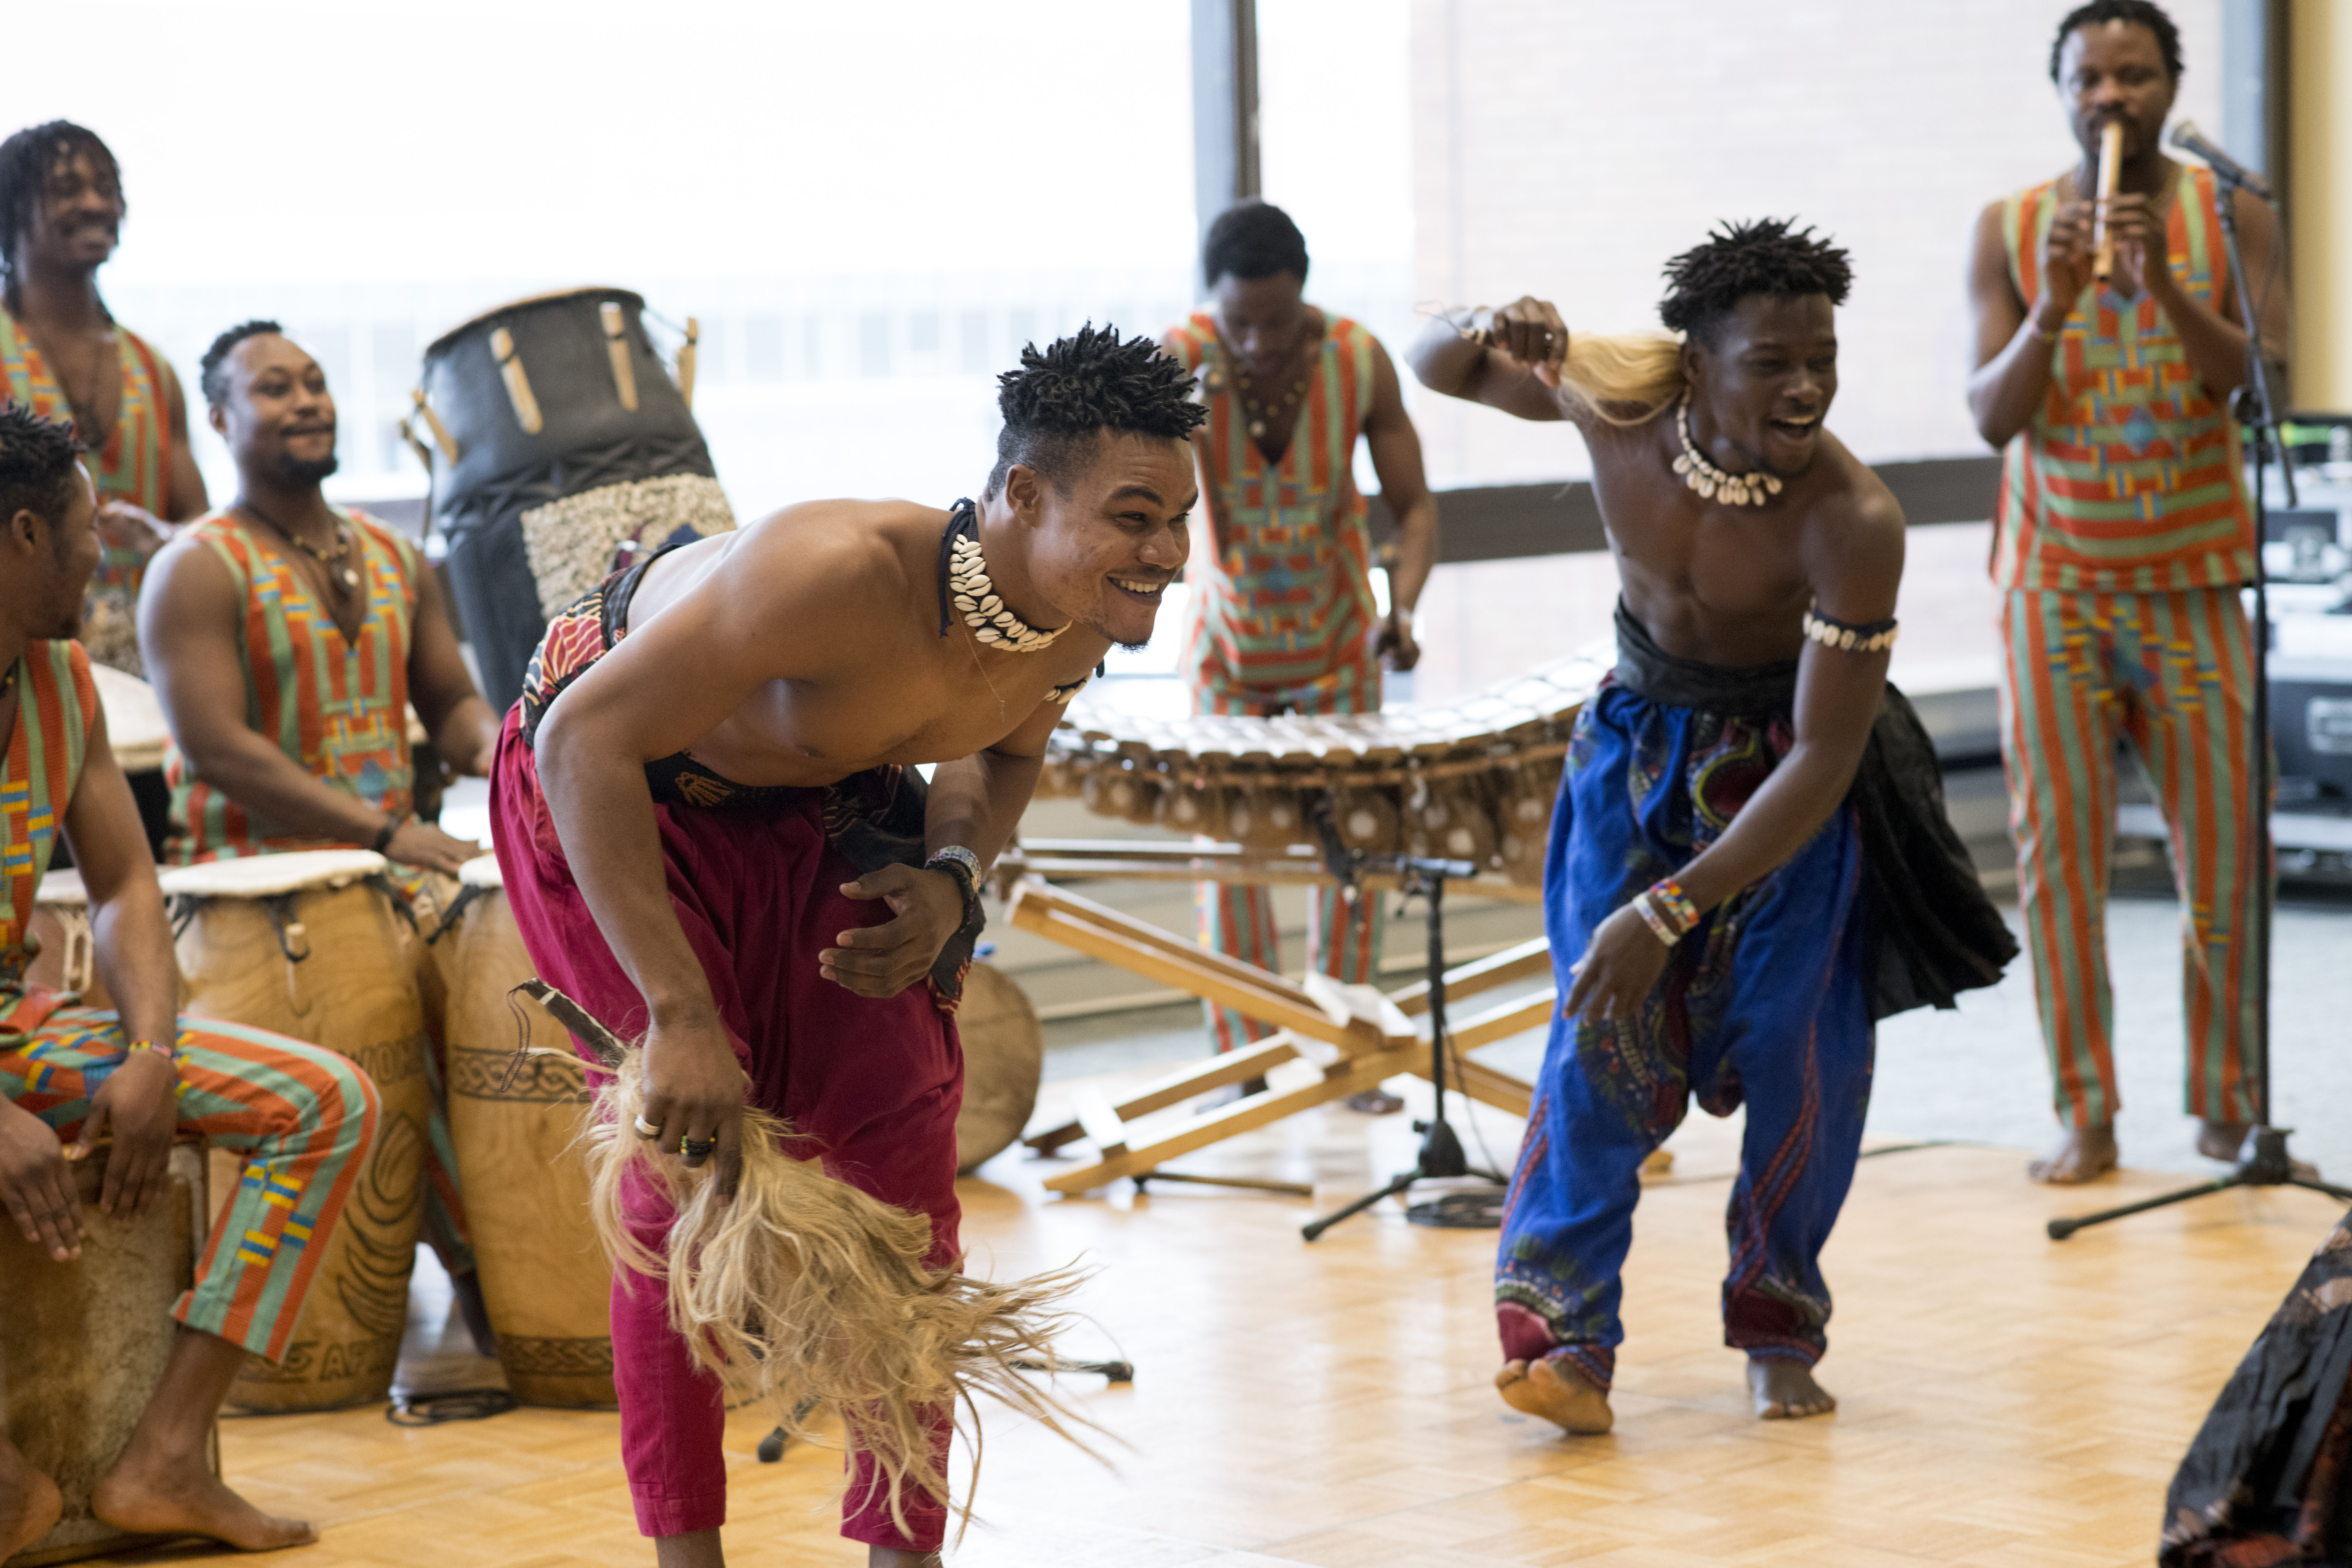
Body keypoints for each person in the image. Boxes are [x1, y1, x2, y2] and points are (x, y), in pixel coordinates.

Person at [493, 324, 1202, 1567]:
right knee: (688, 1172)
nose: (1171, 554)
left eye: (1182, 516)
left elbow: (1004, 749)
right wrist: (681, 1013)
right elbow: (580, 747)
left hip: (818, 798)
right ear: (1023, 495)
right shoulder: (825, 569)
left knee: (904, 1141)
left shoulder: (1086, 610)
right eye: (1137, 516)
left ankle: (902, 1552)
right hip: (617, 787)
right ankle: (687, 1555)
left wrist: (952, 874)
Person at [1407, 220, 2012, 1433]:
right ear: (1695, 363)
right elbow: (1432, 362)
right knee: (1600, 1031)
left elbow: (1832, 750)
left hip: (1791, 776)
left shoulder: (1853, 519)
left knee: (1800, 1045)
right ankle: (1565, 1339)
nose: (1804, 387)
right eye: (1770, 363)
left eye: (1822, 360)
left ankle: (1779, 1316)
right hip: (1634, 754)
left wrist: (1674, 907)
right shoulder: (1618, 408)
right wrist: (1486, 325)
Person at [0, 403, 377, 1557]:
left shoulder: (61, 683)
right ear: (21, 536)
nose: (101, 557)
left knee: (326, 1103)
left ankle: (164, 1456)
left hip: (13, 1026)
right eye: (82, 533)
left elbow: (120, 884)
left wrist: (152, 1052)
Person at [1964, 0, 2288, 1186]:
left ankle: (2226, 1100)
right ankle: (2086, 1111)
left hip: (2198, 581)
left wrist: (2161, 284)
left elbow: (2256, 387)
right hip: (2055, 588)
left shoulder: (2232, 209)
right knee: (2061, 862)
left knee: (2226, 857)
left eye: (2135, 76)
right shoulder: (2006, 228)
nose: (2112, 98)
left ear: (2169, 85)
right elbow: (1993, 413)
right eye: (2090, 78)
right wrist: (2052, 306)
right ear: (2062, 88)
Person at [137, 320, 500, 1334]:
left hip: (393, 869)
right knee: (395, 1017)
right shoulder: (195, 567)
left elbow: (452, 705)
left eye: (316, 382)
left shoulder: (394, 556)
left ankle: (531, 1286)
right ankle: (474, 1289)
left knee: (515, 999)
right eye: (273, 389)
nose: (306, 401)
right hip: (253, 882)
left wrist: (520, 748)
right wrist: (385, 835)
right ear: (218, 417)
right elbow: (217, 747)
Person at [1163, 201, 1440, 1109]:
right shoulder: (1181, 358)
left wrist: (1405, 607)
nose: (1255, 342)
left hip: (1338, 645)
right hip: (1227, 651)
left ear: (1305, 299)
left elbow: (1416, 506)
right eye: (1237, 321)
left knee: (1352, 852)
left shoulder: (1359, 360)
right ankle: (1245, 1061)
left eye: (1274, 322)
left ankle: (1349, 1052)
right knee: (1227, 855)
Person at [0, 122, 208, 676]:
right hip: (27, 672)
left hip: (158, 668)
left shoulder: (152, 368)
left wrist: (168, 540)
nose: (96, 203)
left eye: (108, 188)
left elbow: (197, 526)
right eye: (69, 189)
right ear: (13, 207)